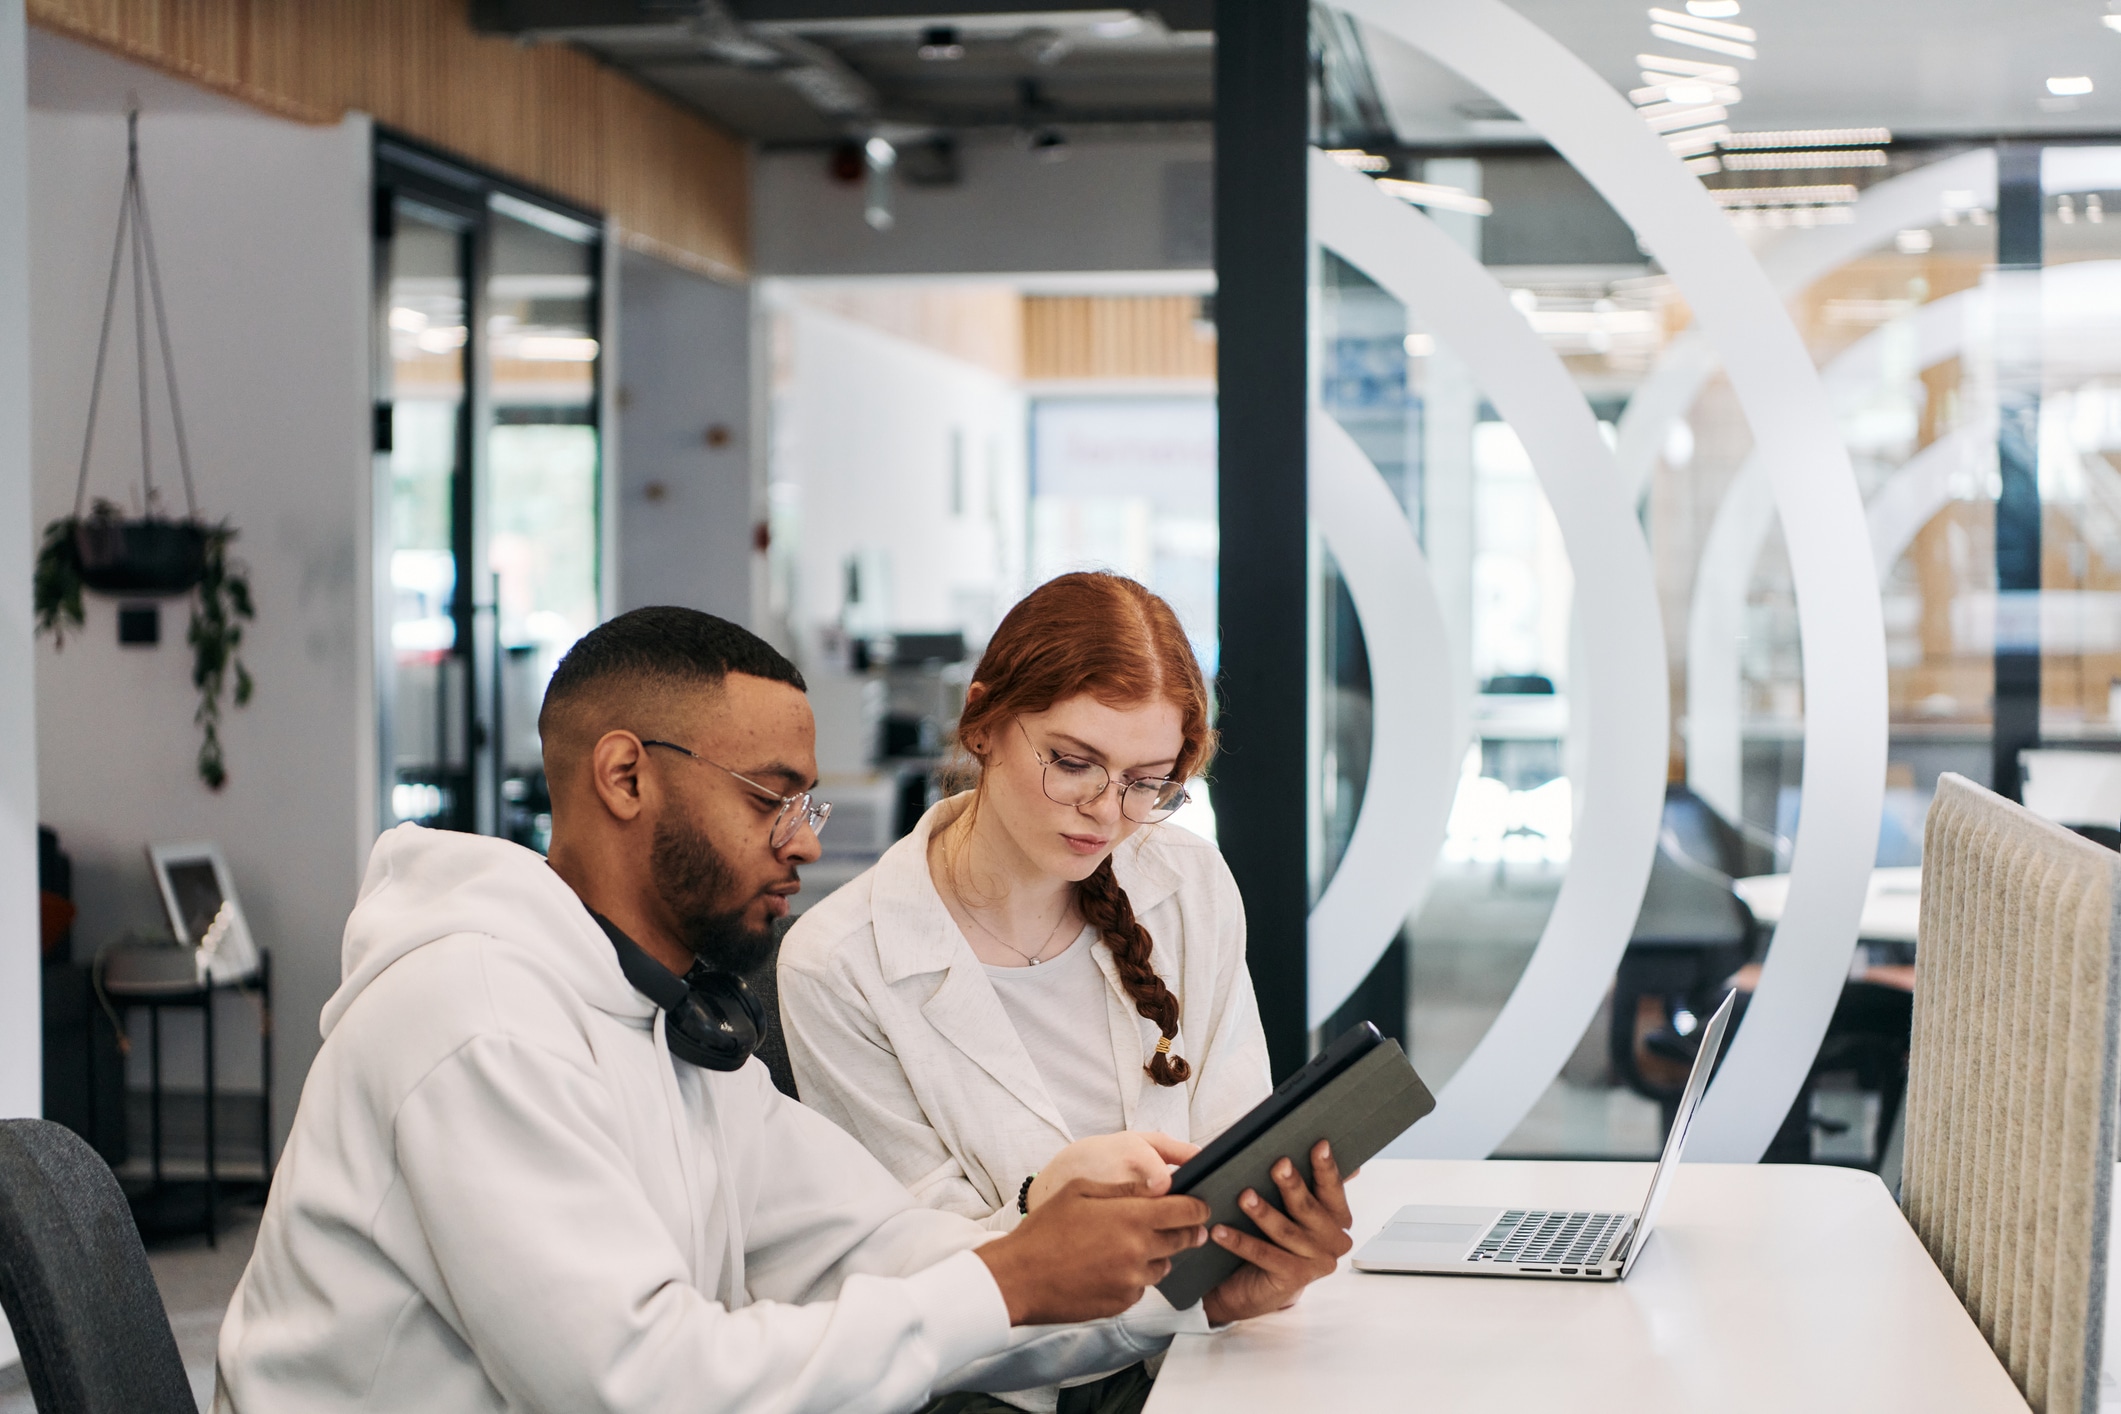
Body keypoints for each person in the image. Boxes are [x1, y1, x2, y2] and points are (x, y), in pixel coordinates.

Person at [215, 606, 1351, 1414]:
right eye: (772, 798)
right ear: (624, 777)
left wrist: (1191, 1295)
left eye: (808, 799)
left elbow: (889, 1250)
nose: (808, 838)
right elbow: (642, 1384)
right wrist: (1009, 1277)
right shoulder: (473, 1019)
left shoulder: (673, 1029)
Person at [781, 574, 1319, 1412]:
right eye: (1072, 763)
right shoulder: (838, 961)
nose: (1107, 812)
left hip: (1193, 1370)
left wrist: (1274, 1245)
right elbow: (916, 1283)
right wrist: (1046, 1202)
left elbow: (1232, 1164)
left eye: (1149, 782)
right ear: (984, 721)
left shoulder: (1184, 880)